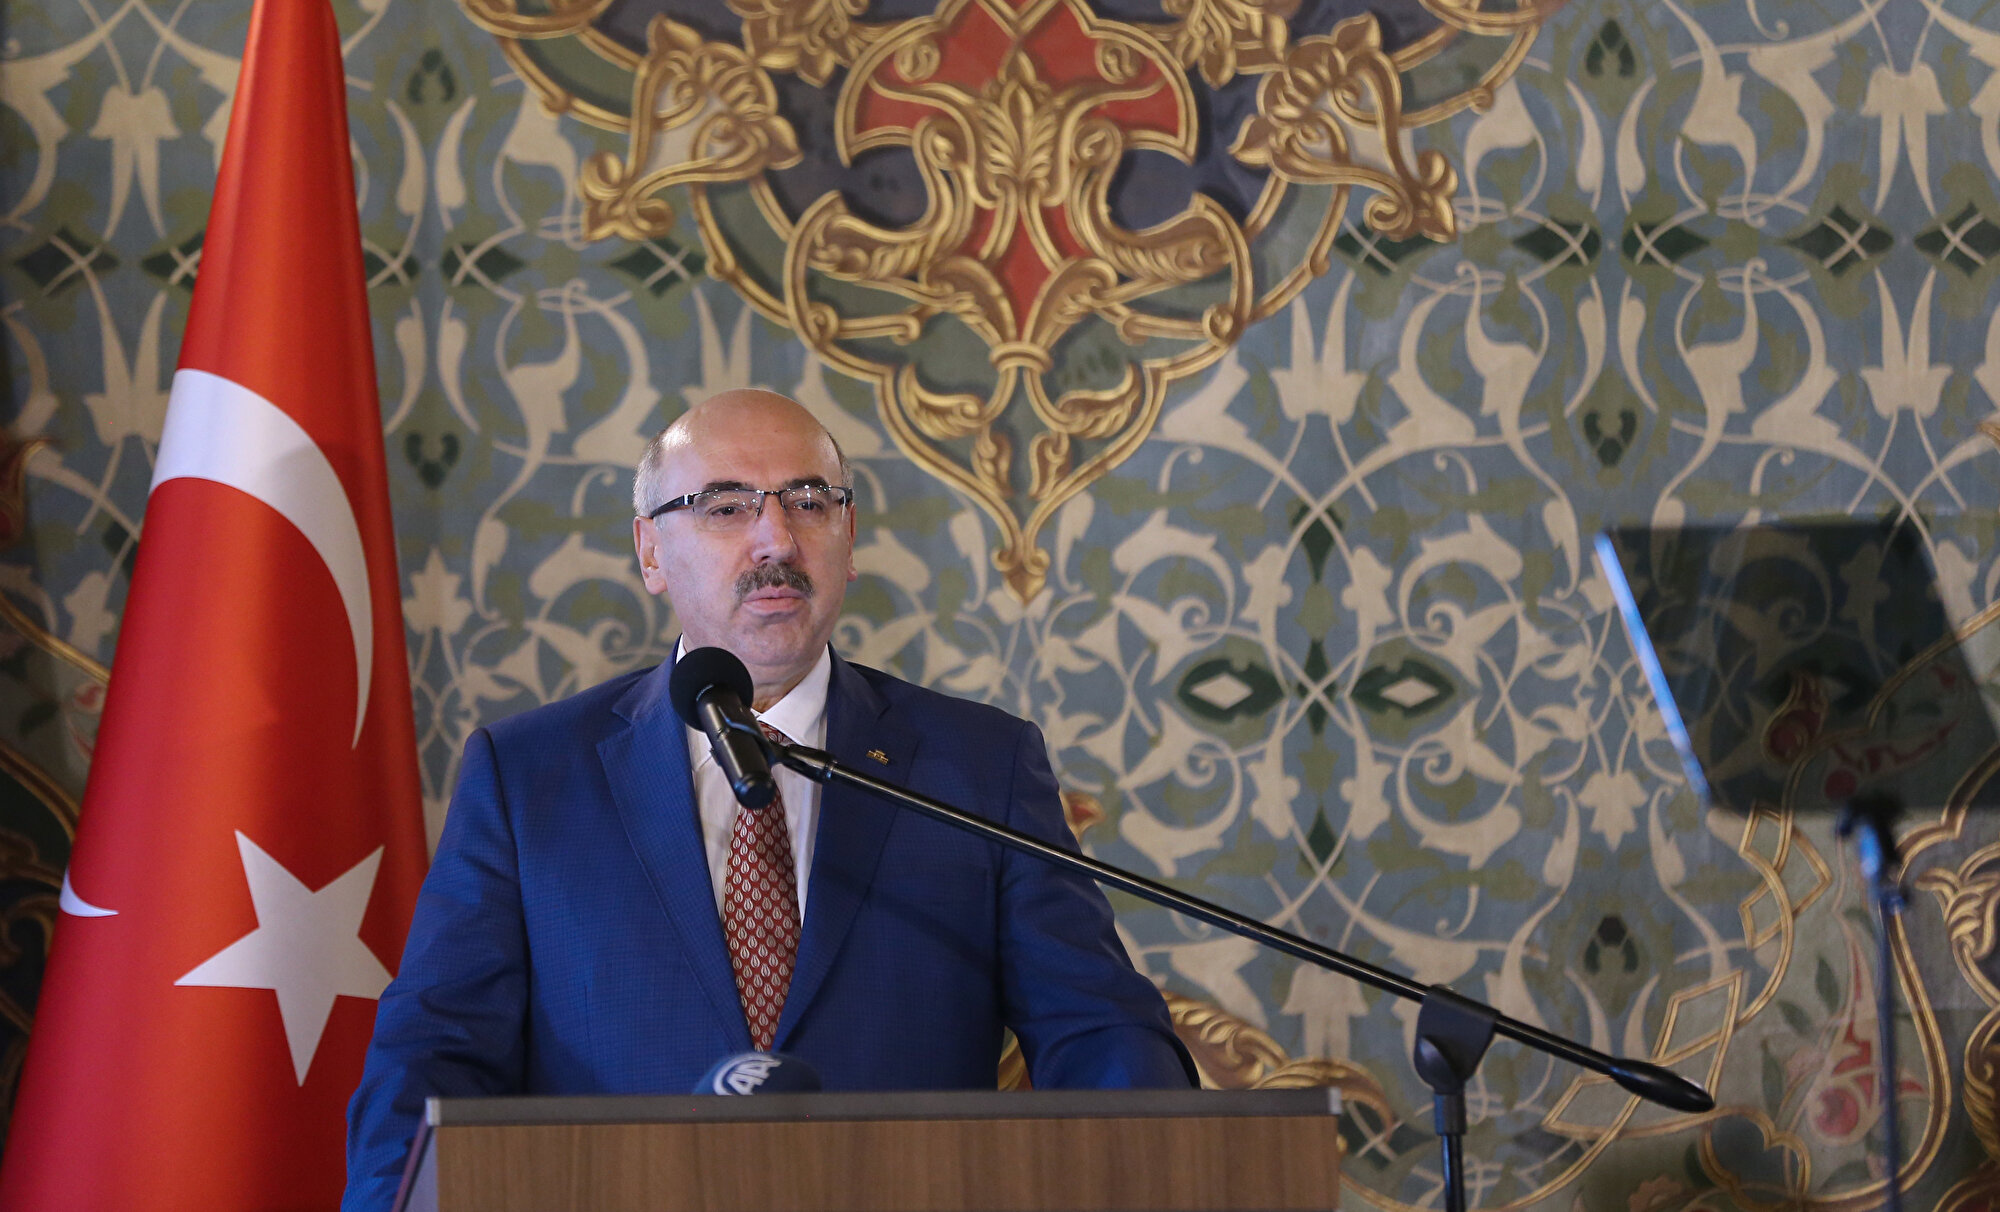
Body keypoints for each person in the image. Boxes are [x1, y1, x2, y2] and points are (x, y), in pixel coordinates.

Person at [343, 389, 1194, 1209]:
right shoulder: (529, 776)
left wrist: (1156, 1173)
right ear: (649, 551)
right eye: (725, 507)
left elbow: (1098, 1031)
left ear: (849, 538)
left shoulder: (979, 767)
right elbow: (432, 1054)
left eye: (810, 502)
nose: (776, 539)